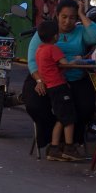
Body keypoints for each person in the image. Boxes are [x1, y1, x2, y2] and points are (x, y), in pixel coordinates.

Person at [22, 0, 96, 152]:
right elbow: (32, 61)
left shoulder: (81, 32)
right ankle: (53, 139)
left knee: (85, 108)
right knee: (35, 105)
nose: (67, 21)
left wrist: (82, 14)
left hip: (74, 80)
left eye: (72, 17)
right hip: (44, 79)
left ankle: (69, 142)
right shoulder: (45, 32)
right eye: (64, 17)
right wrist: (39, 80)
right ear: (57, 15)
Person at [34, 20, 82, 162]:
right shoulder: (53, 49)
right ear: (56, 36)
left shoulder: (39, 50)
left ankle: (54, 149)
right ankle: (69, 148)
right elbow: (65, 65)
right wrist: (77, 60)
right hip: (59, 87)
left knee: (61, 118)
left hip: (50, 87)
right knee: (69, 118)